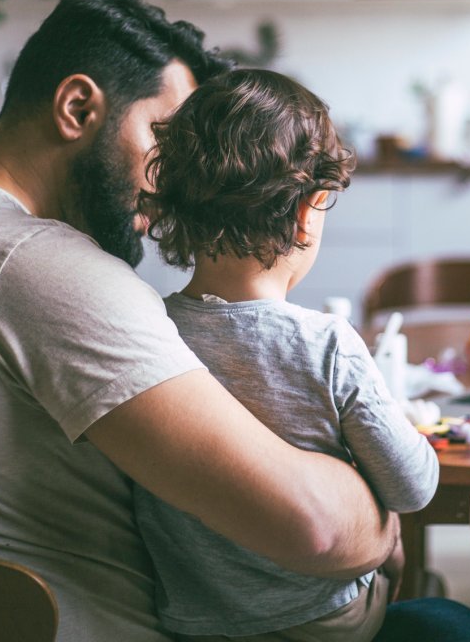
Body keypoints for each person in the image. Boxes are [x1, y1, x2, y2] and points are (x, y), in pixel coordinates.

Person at [0, 0, 470, 641]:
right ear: (76, 108)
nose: (172, 182)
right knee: (453, 626)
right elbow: (312, 529)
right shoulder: (40, 267)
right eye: (163, 138)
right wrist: (382, 526)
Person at [135, 68, 440, 640]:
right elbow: (413, 486)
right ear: (308, 210)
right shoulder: (327, 345)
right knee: (429, 597)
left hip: (193, 626)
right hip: (323, 622)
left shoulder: (148, 330)